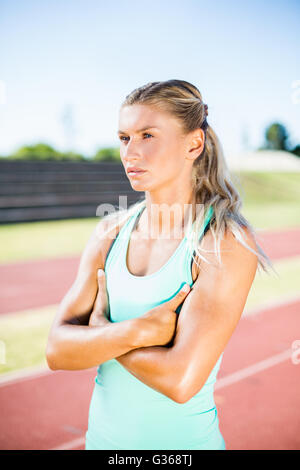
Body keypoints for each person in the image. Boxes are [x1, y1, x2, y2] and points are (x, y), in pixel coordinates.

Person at [46, 79, 272, 450]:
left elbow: (180, 380)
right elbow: (57, 351)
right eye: (124, 138)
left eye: (147, 135)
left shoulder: (221, 241)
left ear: (193, 144)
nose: (130, 153)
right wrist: (138, 332)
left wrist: (100, 334)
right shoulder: (110, 232)